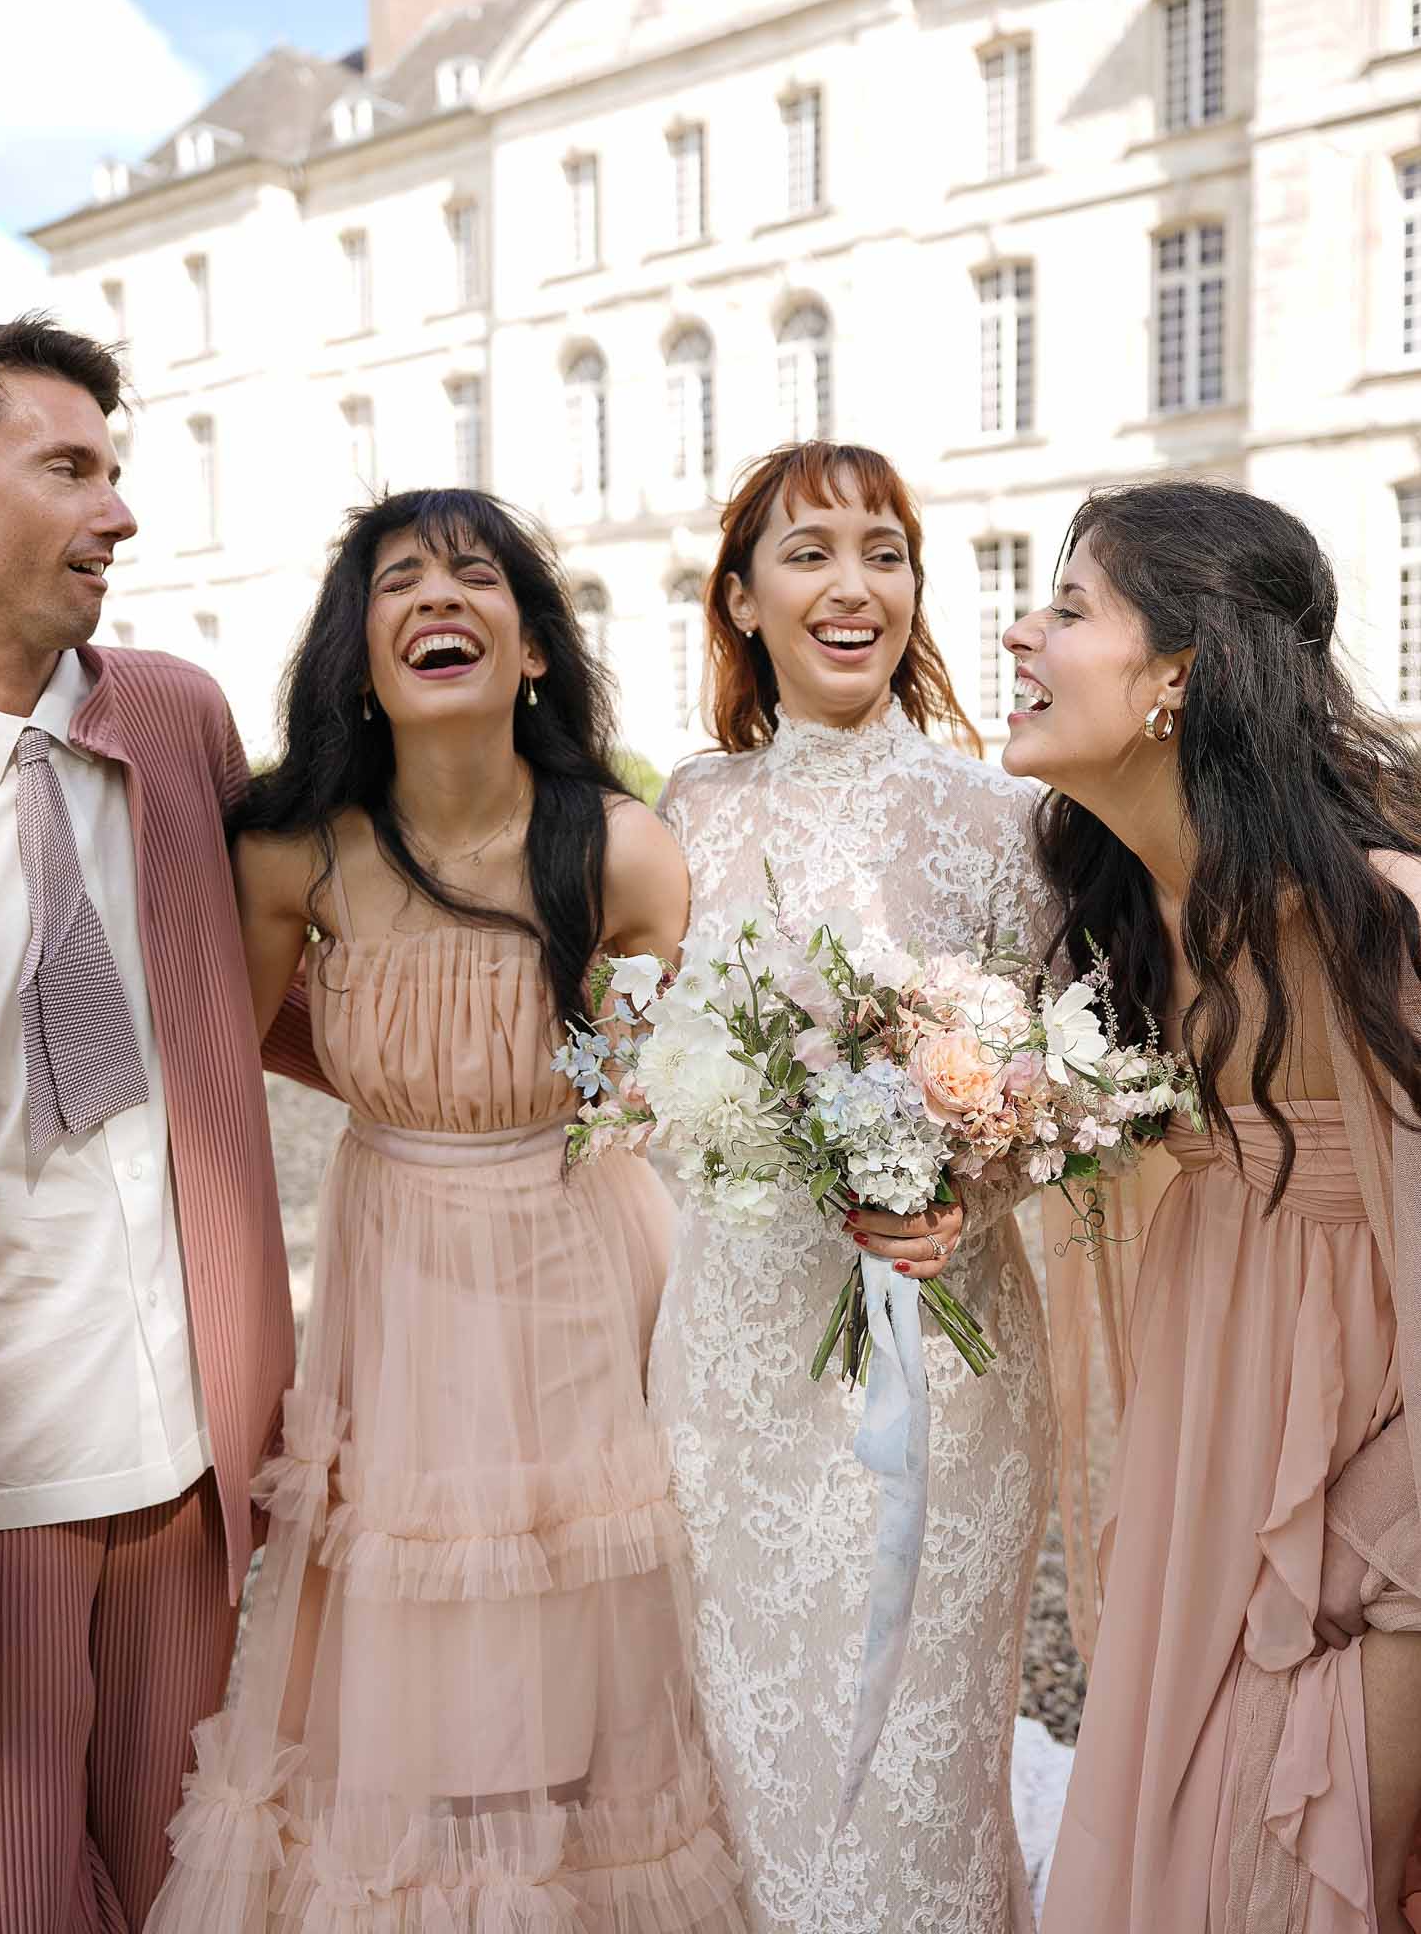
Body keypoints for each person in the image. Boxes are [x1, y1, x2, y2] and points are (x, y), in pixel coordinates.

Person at [144, 486, 747, 1931]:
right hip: (395, 1269)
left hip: (582, 1255)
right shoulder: (297, 854)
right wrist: (399, 1083)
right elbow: (234, 1051)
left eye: (476, 580)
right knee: (408, 1598)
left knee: (585, 1591)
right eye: (398, 582)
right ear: (359, 658)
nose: (438, 602)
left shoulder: (626, 851)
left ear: (532, 647)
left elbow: (679, 1074)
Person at [647, 440, 1063, 1933]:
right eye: (810, 551)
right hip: (740, 1352)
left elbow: (1065, 1081)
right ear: (743, 599)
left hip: (948, 1343)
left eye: (884, 551)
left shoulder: (1009, 820)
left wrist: (975, 1190)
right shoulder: (681, 816)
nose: (854, 584)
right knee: (741, 1714)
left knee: (928, 1739)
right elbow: (643, 1075)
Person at [1003, 477, 1421, 1933]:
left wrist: (1365, 1555)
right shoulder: (1116, 924)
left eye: (1065, 607)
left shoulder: (1382, 922)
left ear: (1179, 674)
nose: (1017, 635)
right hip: (1212, 1430)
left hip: (1371, 1505)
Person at [0, 317, 316, 1933]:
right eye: (70, 471)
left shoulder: (173, 718)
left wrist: (568, 1074)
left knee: (198, 1871)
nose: (120, 514)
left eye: (119, 471)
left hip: (191, 1448)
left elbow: (316, 994)